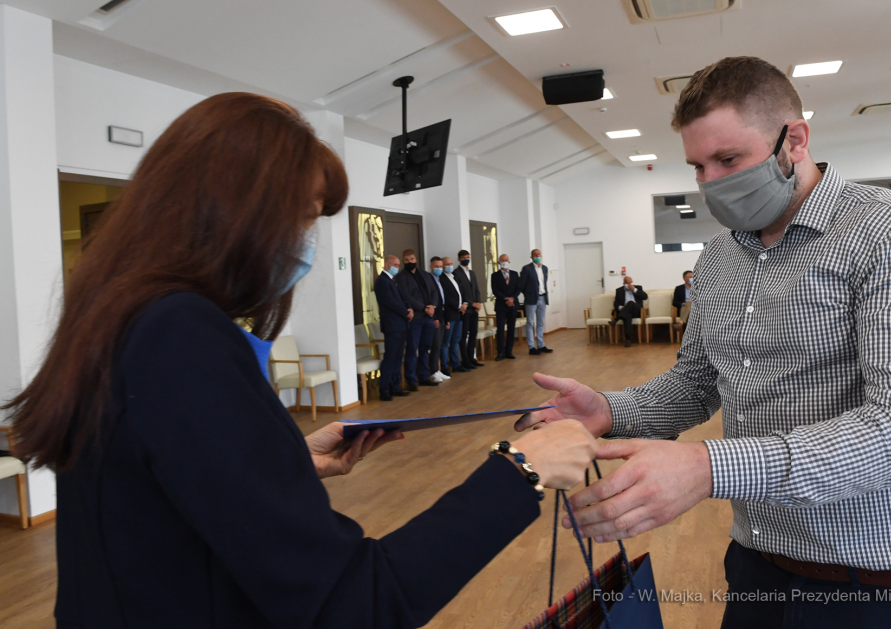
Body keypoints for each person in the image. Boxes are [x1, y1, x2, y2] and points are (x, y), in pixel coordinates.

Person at [2, 93, 600, 629]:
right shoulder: (182, 335)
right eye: (305, 217)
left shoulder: (122, 317)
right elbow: (355, 601)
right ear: (237, 210)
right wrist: (520, 470)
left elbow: (159, 492)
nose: (304, 243)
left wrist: (279, 464)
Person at [517, 57, 891, 628]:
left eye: (729, 159)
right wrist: (611, 410)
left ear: (796, 141)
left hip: (878, 580)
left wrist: (709, 468)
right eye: (698, 166)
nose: (711, 182)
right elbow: (695, 383)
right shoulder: (718, 258)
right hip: (758, 563)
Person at [395, 248, 439, 389]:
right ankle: (411, 380)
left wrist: (432, 306)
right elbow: (406, 296)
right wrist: (423, 308)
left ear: (416, 260)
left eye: (412, 259)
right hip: (415, 318)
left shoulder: (425, 275)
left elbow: (434, 291)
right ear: (403, 261)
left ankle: (424, 376)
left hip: (429, 317)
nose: (410, 262)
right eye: (407, 260)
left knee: (425, 348)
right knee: (412, 349)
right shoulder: (401, 277)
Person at [372, 255, 412, 401]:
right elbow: (390, 302)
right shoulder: (382, 281)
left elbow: (401, 299)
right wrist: (405, 312)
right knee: (390, 357)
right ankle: (384, 389)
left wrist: (408, 307)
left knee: (397, 357)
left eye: (398, 264)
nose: (397, 267)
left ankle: (395, 386)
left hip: (400, 324)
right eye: (395, 264)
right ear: (387, 265)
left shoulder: (392, 280)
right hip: (392, 325)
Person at [453, 249, 484, 368]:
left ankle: (472, 357)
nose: (466, 259)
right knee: (464, 334)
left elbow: (476, 289)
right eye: (464, 257)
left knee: (473, 333)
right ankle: (465, 360)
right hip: (466, 309)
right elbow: (460, 292)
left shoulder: (472, 273)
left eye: (468, 257)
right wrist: (472, 304)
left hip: (474, 309)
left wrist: (478, 303)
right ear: (459, 259)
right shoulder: (456, 273)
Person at [519, 248, 552, 355]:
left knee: (541, 322)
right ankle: (532, 347)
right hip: (531, 299)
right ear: (531, 257)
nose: (537, 256)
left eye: (539, 254)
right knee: (530, 322)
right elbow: (522, 285)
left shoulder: (545, 268)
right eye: (535, 255)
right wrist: (528, 294)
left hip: (543, 297)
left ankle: (541, 345)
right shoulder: (527, 269)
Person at [426, 256, 453, 384]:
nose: (439, 269)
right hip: (435, 317)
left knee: (440, 343)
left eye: (440, 267)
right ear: (431, 267)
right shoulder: (429, 280)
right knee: (435, 345)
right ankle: (433, 371)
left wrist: (446, 319)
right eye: (436, 266)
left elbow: (444, 301)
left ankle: (437, 369)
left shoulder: (441, 280)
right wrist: (434, 318)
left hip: (442, 316)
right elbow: (431, 301)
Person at [441, 256, 470, 373]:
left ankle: (456, 364)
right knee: (446, 342)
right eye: (447, 264)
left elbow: (462, 293)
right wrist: (459, 306)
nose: (450, 266)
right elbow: (446, 297)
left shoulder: (455, 277)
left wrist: (465, 304)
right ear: (442, 266)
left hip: (459, 314)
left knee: (455, 340)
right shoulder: (442, 279)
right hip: (450, 314)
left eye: (451, 263)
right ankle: (444, 366)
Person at [491, 254, 520, 361]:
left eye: (506, 260)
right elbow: (495, 290)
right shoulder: (495, 275)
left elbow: (518, 288)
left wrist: (512, 298)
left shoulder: (515, 274)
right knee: (500, 329)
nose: (505, 262)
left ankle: (509, 351)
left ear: (509, 261)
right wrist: (506, 299)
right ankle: (500, 352)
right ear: (499, 262)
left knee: (511, 329)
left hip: (513, 305)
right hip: (501, 306)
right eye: (502, 260)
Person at [609, 276, 647, 347]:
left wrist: (634, 290)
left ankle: (616, 319)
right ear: (624, 283)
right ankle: (628, 340)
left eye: (630, 282)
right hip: (626, 311)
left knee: (630, 303)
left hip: (637, 311)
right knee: (627, 316)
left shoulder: (638, 288)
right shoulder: (619, 290)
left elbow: (645, 297)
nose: (629, 284)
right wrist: (621, 307)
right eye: (627, 283)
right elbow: (616, 303)